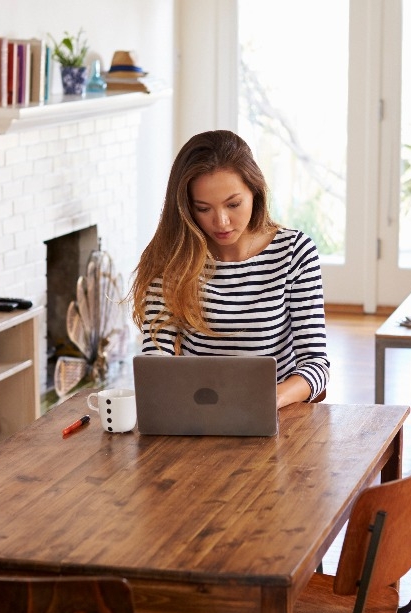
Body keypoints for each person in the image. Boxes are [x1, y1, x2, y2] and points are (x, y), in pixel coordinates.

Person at [129, 130, 330, 408]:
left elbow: (316, 364)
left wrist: (269, 399)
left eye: (233, 204)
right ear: (187, 208)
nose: (221, 222)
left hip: (276, 418)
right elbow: (156, 359)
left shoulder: (294, 252)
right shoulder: (173, 259)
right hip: (196, 415)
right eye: (203, 208)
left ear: (255, 191)